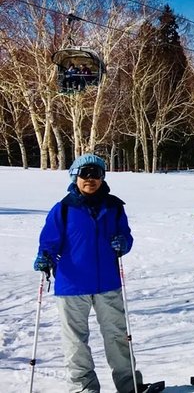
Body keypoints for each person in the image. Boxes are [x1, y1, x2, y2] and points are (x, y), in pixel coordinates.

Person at [34, 153, 157, 393]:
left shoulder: (114, 207)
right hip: (72, 285)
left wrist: (123, 243)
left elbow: (126, 236)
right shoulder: (63, 209)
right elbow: (49, 241)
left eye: (96, 174)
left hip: (107, 282)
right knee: (75, 342)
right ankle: (84, 387)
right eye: (85, 174)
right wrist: (44, 256)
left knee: (118, 337)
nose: (90, 179)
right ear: (75, 176)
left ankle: (129, 384)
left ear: (102, 177)